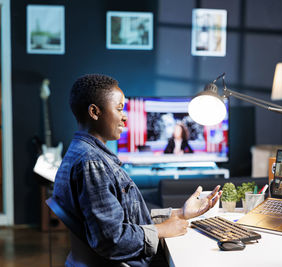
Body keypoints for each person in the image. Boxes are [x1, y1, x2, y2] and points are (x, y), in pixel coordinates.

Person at [53, 74, 221, 267]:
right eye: (119, 109)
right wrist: (161, 230)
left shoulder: (82, 153)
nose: (124, 117)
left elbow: (123, 218)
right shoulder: (93, 164)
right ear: (94, 111)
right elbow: (111, 240)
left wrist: (179, 213)